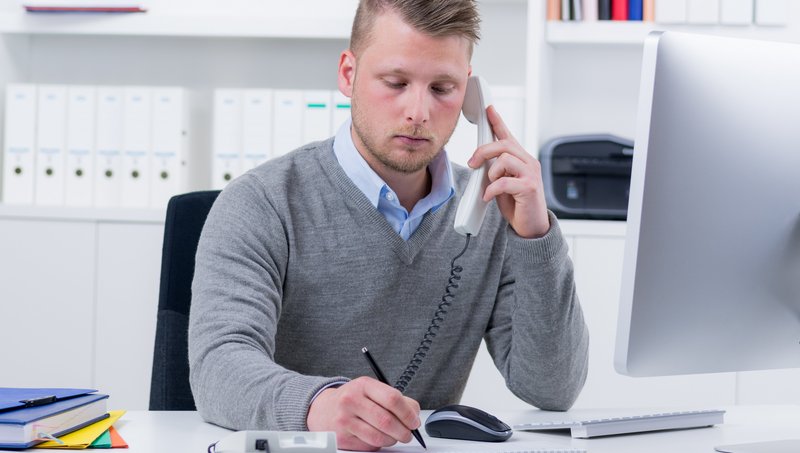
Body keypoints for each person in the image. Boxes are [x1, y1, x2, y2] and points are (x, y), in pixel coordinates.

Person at [188, 0, 589, 451]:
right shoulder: (260, 202)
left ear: (472, 96)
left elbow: (552, 389)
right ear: (348, 74)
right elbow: (217, 369)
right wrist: (319, 406)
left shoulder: (491, 211)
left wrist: (535, 238)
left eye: (442, 88)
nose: (418, 111)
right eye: (396, 83)